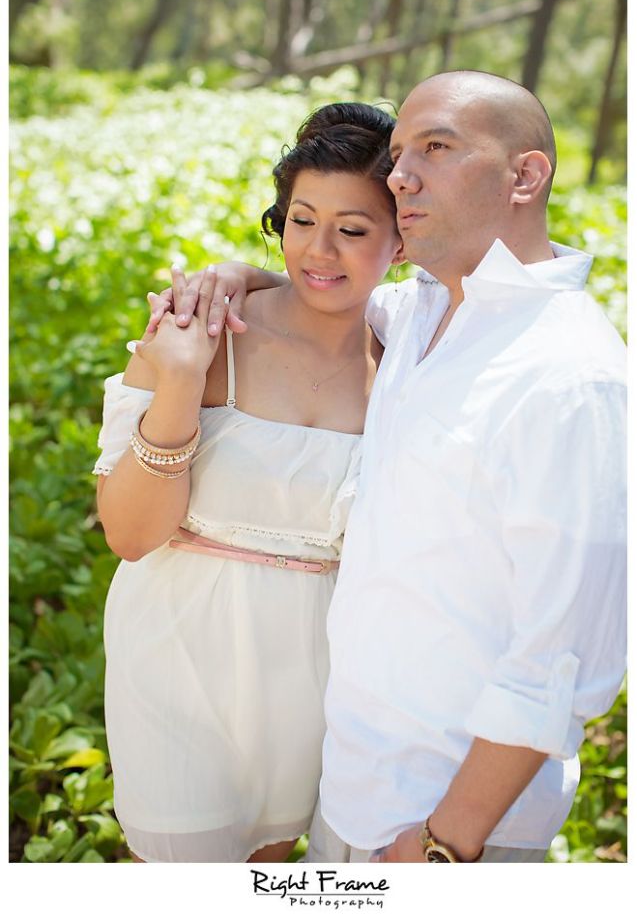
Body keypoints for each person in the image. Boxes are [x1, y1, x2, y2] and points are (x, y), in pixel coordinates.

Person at [157, 70, 626, 863]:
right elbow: (323, 285)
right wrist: (233, 277)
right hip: (350, 792)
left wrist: (446, 845)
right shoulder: (420, 312)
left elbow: (561, 661)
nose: (399, 175)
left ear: (525, 174)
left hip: (446, 827)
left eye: (435, 148)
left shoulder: (570, 376)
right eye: (398, 152)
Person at [92, 102, 404, 863]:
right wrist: (177, 385)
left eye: (353, 230)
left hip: (321, 674)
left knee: (271, 865)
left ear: (403, 239)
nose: (318, 250)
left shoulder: (411, 358)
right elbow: (131, 536)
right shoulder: (199, 329)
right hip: (177, 654)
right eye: (300, 220)